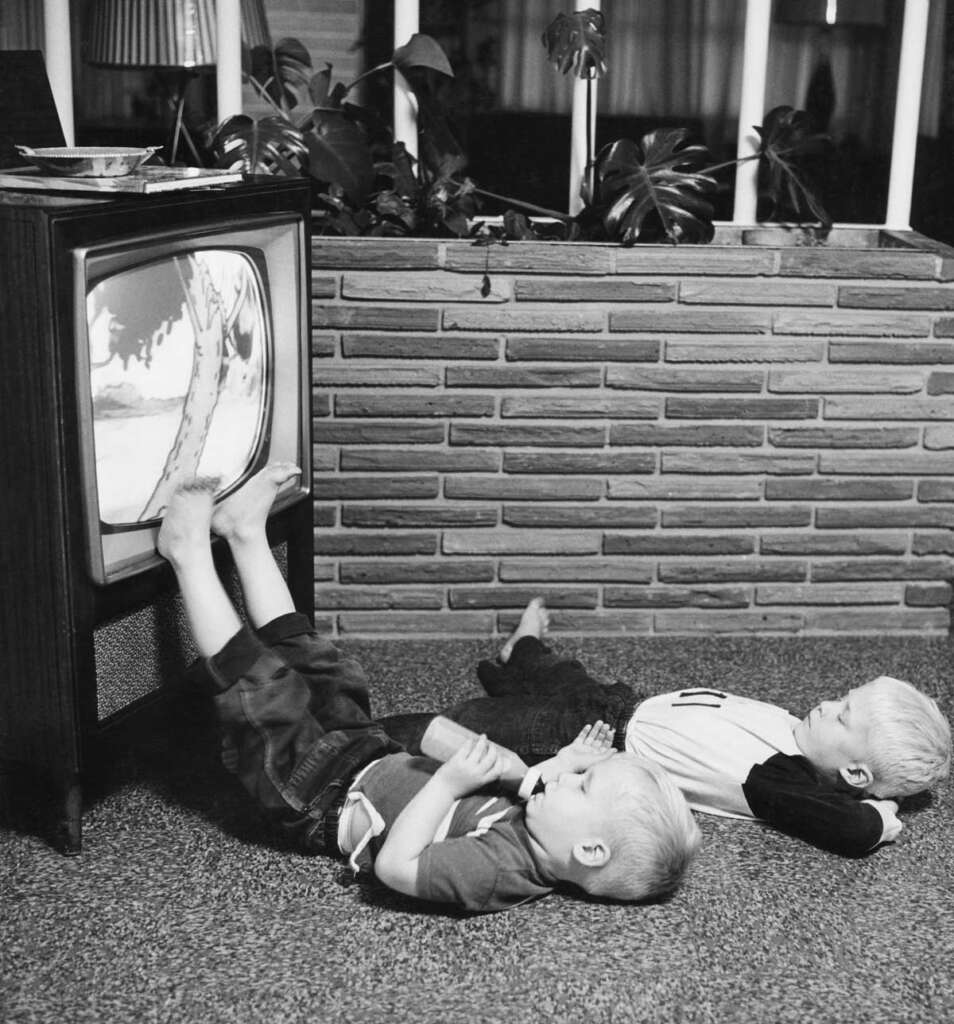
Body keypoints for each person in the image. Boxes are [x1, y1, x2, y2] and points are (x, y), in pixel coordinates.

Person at [156, 465, 701, 914]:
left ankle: (187, 553)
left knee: (263, 685)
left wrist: (447, 785)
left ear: (589, 850)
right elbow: (529, 781)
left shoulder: (496, 874)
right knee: (322, 664)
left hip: (317, 794)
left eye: (581, 789)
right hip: (366, 751)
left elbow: (397, 869)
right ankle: (246, 535)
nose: (567, 785)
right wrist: (562, 763)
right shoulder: (551, 827)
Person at [381, 599, 952, 859]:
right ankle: (521, 651)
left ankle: (361, 733)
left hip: (586, 741)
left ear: (853, 771)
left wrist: (876, 822)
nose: (827, 704)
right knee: (555, 673)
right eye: (842, 698)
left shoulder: (784, 779)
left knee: (474, 727)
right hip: (620, 704)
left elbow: (844, 829)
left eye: (843, 716)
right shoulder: (801, 734)